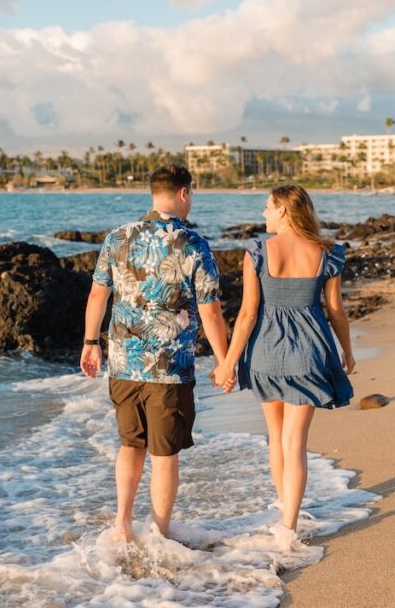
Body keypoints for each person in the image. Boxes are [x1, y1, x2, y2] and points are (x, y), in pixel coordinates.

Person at [80, 164, 229, 542]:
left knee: (130, 445)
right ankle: (160, 536)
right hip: (169, 369)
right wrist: (225, 360)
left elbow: (99, 295)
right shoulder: (192, 243)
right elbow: (210, 309)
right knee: (164, 456)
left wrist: (90, 343)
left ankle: (122, 526)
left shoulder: (118, 236)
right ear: (184, 194)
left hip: (123, 364)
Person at [214, 184, 355, 542]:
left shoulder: (258, 252)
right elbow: (336, 312)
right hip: (309, 354)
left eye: (267, 207)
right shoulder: (328, 253)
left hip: (265, 353)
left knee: (276, 438)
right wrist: (347, 351)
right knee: (295, 443)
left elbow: (247, 315)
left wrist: (229, 363)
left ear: (284, 211)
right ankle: (288, 528)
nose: (263, 214)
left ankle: (283, 508)